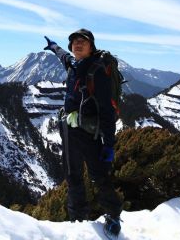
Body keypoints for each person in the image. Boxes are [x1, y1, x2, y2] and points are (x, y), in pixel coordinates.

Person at [44, 29, 122, 236]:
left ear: (91, 47)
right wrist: (54, 47)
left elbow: (107, 110)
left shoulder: (96, 71)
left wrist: (109, 144)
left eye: (83, 42)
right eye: (74, 42)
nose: (78, 44)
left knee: (99, 175)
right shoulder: (74, 64)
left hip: (90, 133)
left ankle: (113, 216)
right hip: (69, 133)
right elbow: (64, 57)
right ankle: (78, 221)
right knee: (73, 176)